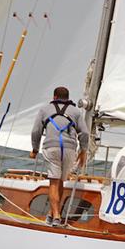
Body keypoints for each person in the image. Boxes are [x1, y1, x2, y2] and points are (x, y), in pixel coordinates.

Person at [30, 86, 89, 227]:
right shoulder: (76, 111)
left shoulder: (45, 109)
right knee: (61, 181)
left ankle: (56, 216)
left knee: (54, 182)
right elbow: (85, 133)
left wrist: (34, 149)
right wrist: (83, 151)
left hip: (52, 148)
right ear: (67, 98)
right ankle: (52, 214)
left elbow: (36, 131)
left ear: (54, 97)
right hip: (70, 149)